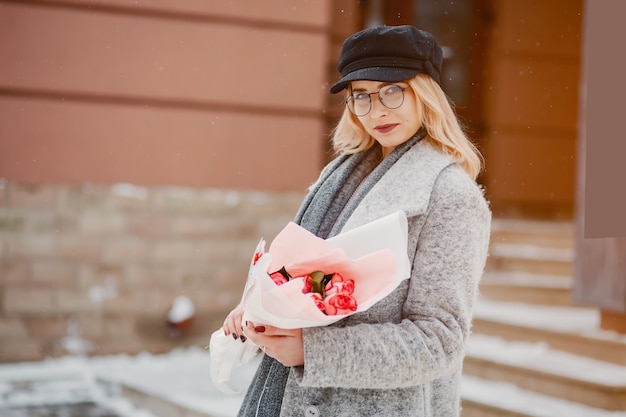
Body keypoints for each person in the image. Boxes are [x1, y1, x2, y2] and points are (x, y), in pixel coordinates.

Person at [222, 25, 491, 417]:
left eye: (392, 91)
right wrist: (259, 308)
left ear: (425, 92)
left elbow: (439, 341)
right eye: (361, 96)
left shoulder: (450, 195)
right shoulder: (340, 176)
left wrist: (312, 350)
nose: (376, 110)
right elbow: (303, 276)